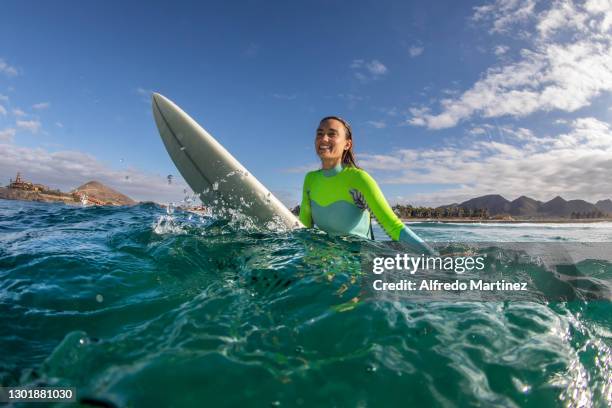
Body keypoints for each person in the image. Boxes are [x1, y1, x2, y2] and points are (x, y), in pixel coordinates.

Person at [299, 116, 434, 254]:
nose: (323, 138)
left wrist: (434, 258)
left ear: (347, 144)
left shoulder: (359, 179)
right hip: (323, 257)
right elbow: (304, 230)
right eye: (319, 133)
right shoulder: (310, 179)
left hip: (358, 261)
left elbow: (393, 227)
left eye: (332, 134)